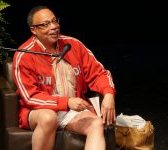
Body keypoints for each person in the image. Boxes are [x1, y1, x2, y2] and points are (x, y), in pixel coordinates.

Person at [12, 5, 116, 150]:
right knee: (49, 118)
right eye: (45, 24)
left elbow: (99, 73)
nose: (54, 27)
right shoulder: (24, 55)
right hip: (38, 111)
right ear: (33, 30)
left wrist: (109, 94)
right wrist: (66, 102)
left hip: (71, 110)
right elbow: (30, 97)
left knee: (96, 123)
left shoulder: (73, 45)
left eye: (55, 21)